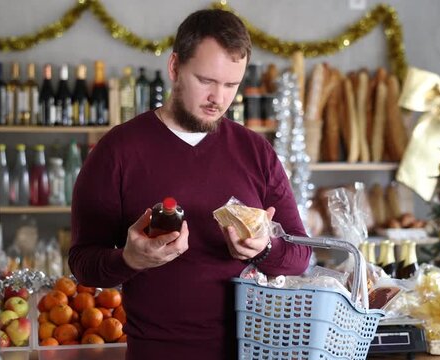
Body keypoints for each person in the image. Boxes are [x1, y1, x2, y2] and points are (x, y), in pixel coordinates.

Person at [69, 9, 311, 360]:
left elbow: (301, 256)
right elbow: (82, 262)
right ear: (174, 68)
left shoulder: (256, 151)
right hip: (156, 352)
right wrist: (129, 259)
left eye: (231, 85)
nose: (219, 98)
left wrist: (265, 249)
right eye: (206, 81)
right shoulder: (117, 151)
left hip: (252, 350)